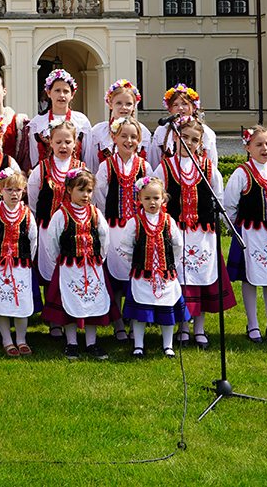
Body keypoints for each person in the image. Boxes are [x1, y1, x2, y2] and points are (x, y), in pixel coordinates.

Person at [153, 115, 233, 349]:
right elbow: (156, 196)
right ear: (175, 138)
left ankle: (199, 328)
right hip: (176, 233)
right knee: (179, 278)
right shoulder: (165, 167)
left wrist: (217, 224)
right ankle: (183, 327)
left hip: (203, 234)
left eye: (194, 139)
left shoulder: (207, 167)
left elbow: (219, 196)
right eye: (184, 137)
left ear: (201, 143)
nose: (188, 142)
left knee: (202, 278)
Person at [222, 126, 267, 346]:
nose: (264, 148)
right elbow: (229, 205)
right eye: (259, 144)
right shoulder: (242, 173)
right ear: (248, 148)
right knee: (249, 278)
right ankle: (252, 324)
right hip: (249, 233)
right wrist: (237, 229)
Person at [40, 168, 111, 361]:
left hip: (92, 267)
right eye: (81, 190)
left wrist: (99, 258)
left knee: (93, 303)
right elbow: (52, 241)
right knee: (69, 303)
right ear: (69, 190)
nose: (85, 195)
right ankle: (71, 343)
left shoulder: (95, 213)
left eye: (89, 191)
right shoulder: (61, 215)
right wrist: (62, 259)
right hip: (69, 267)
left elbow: (104, 237)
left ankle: (91, 342)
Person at [91, 116, 150, 343]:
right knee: (114, 278)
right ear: (114, 138)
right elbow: (100, 195)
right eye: (123, 136)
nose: (129, 140)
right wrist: (107, 220)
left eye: (133, 137)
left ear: (139, 140)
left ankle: (135, 323)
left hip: (137, 230)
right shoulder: (106, 166)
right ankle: (118, 324)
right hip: (114, 228)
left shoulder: (144, 166)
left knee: (136, 276)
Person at [27, 119, 84, 337]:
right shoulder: (41, 169)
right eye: (58, 141)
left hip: (73, 231)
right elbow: (33, 199)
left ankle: (72, 312)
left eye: (67, 141)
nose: (63, 146)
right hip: (47, 229)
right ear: (50, 142)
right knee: (51, 272)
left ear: (75, 143)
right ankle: (54, 319)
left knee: (71, 272)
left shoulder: (81, 169)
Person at [120, 177, 188, 359]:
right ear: (139, 199)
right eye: (147, 198)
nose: (152, 202)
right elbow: (125, 245)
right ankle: (138, 345)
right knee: (140, 312)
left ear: (163, 198)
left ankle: (168, 345)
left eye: (156, 198)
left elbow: (178, 244)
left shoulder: (168, 221)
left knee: (167, 310)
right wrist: (135, 262)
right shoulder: (135, 222)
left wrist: (172, 264)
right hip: (142, 275)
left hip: (166, 275)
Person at [0, 168, 38, 356]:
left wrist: (27, 261)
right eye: (9, 189)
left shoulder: (27, 214)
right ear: (0, 190)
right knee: (1, 304)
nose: (14, 194)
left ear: (23, 191)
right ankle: (6, 339)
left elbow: (33, 241)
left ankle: (21, 339)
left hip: (20, 267)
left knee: (21, 305)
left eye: (18, 190)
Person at [26, 70, 92, 167]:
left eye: (66, 91)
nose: (61, 95)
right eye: (57, 90)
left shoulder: (81, 121)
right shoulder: (37, 123)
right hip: (46, 174)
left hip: (75, 174)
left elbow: (88, 157)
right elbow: (34, 157)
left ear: (72, 94)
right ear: (48, 93)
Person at [146, 84, 219, 169]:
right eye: (175, 105)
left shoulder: (206, 132)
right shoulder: (162, 131)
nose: (180, 108)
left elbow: (212, 164)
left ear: (194, 107)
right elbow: (154, 162)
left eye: (185, 104)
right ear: (170, 109)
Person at [85, 79, 151, 170]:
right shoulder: (99, 131)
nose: (124, 107)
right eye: (119, 103)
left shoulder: (143, 131)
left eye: (128, 104)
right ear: (110, 104)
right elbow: (91, 164)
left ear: (134, 106)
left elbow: (149, 163)